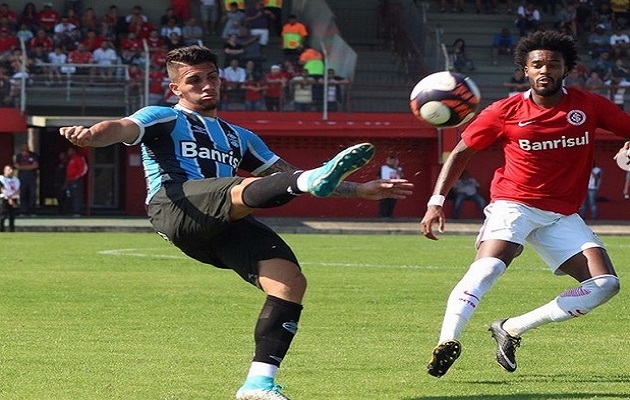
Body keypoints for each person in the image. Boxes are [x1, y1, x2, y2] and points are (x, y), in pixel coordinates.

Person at [58, 45, 413, 400]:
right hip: (175, 204)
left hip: (222, 219)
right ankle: (313, 180)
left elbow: (285, 175)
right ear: (176, 89)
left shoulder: (240, 137)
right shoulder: (162, 117)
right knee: (245, 187)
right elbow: (120, 128)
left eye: (211, 77)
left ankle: (257, 385)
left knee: (289, 281)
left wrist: (361, 190)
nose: (206, 85)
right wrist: (92, 135)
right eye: (194, 80)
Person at [421, 31, 623, 379]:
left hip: (562, 215)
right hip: (513, 205)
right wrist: (436, 201)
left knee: (606, 285)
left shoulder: (588, 105)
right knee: (488, 269)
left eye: (553, 64)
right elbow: (461, 152)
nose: (545, 70)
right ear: (525, 71)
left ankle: (511, 328)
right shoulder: (505, 111)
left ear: (566, 69)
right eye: (537, 65)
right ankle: (447, 341)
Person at [13, 144, 38, 216]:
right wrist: (30, 167)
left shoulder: (33, 155)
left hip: (31, 178)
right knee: (23, 194)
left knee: (32, 194)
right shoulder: (19, 156)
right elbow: (17, 166)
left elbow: (36, 165)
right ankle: (23, 211)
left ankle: (32, 211)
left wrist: (23, 167)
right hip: (22, 178)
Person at [63, 147, 88, 216]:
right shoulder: (70, 159)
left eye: (69, 151)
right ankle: (71, 210)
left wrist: (77, 177)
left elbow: (84, 168)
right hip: (70, 180)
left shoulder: (78, 158)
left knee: (77, 195)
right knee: (70, 195)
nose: (68, 152)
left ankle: (77, 211)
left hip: (76, 180)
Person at [0, 164, 20, 232]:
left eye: (11, 170)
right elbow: (2, 189)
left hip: (14, 198)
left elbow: (17, 190)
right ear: (5, 171)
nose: (11, 171)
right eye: (9, 170)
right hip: (4, 198)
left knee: (12, 216)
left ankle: (12, 230)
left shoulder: (16, 179)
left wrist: (12, 198)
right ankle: (1, 230)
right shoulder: (2, 178)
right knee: (3, 215)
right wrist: (9, 198)